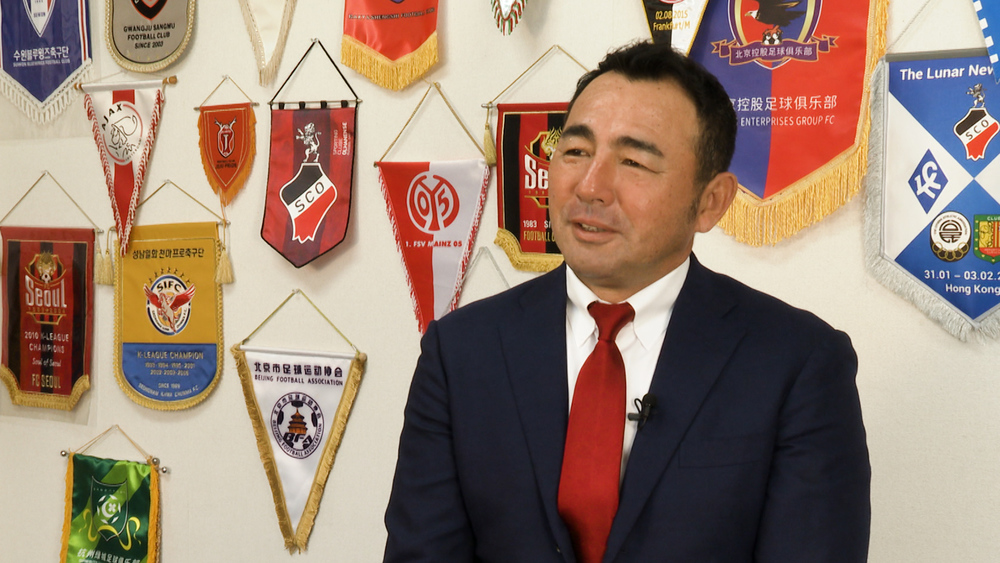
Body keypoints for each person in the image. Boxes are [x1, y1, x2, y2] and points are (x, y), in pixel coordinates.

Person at [383, 40, 870, 563]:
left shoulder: (798, 363)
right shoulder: (461, 352)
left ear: (711, 202)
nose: (590, 187)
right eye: (575, 151)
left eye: (634, 161)